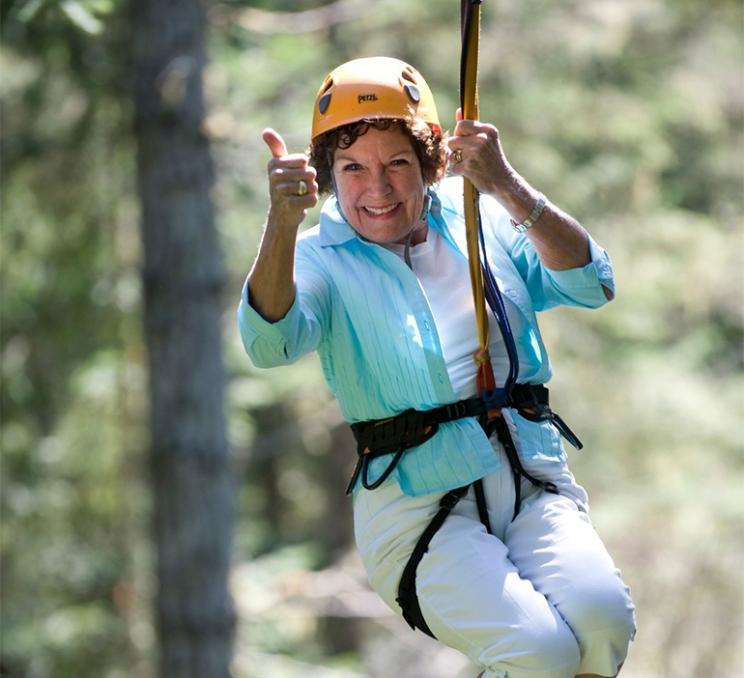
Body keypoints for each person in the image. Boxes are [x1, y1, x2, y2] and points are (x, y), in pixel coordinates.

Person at [238, 56, 636, 678]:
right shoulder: (319, 259)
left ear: (429, 161)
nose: (378, 187)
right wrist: (283, 226)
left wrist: (504, 183)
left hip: (528, 478)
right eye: (353, 168)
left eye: (397, 162)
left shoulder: (479, 215)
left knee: (603, 622)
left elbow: (592, 282)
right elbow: (271, 344)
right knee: (540, 652)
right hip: (417, 510)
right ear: (327, 176)